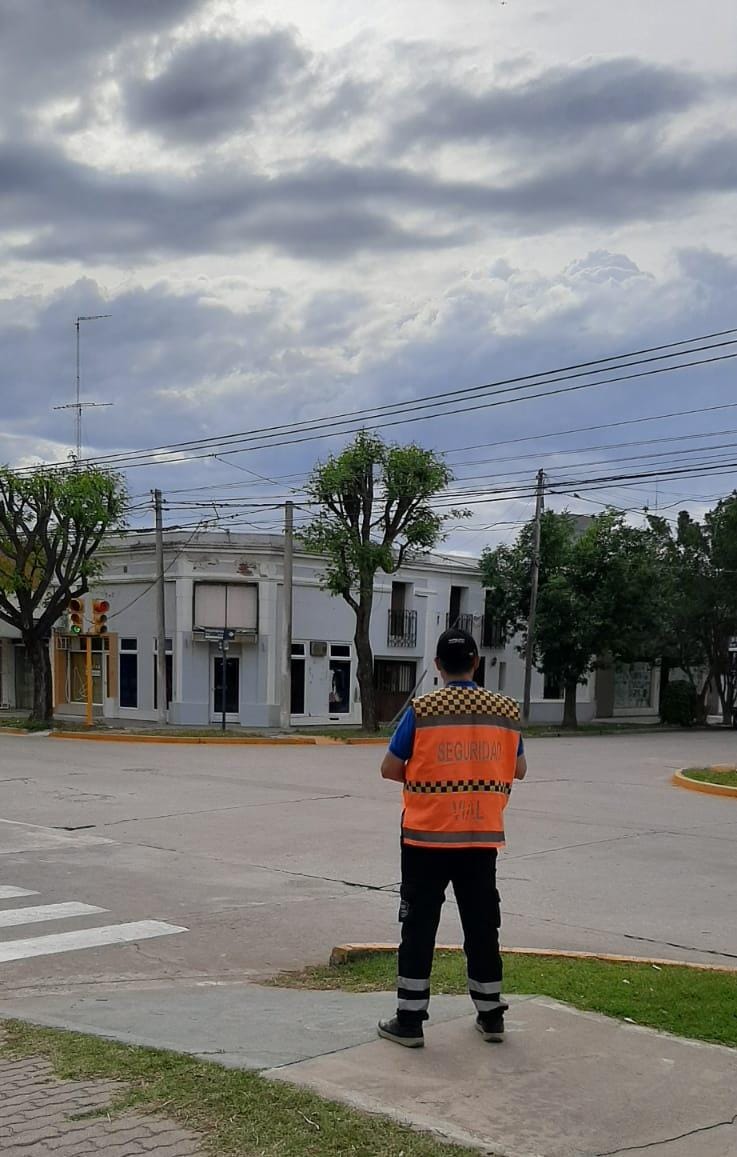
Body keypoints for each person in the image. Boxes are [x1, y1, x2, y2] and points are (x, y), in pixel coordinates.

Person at [377, 627, 526, 1048]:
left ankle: (409, 1021)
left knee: (419, 926)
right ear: (476, 663)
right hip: (480, 837)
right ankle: (491, 1014)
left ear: (438, 666)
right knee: (482, 925)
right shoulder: (504, 711)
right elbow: (520, 769)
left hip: (426, 839)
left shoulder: (424, 709)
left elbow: (389, 768)